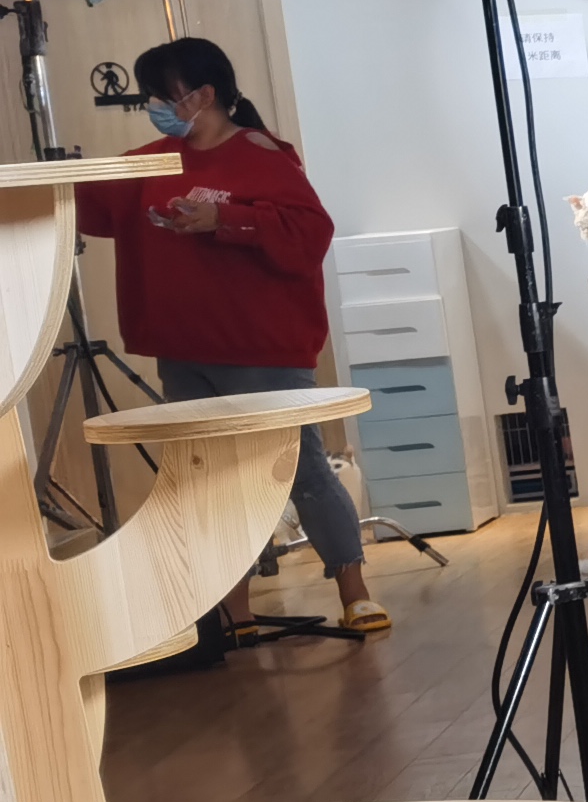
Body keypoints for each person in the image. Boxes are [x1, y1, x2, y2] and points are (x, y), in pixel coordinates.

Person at [76, 38, 385, 636]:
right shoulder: (152, 161)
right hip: (184, 348)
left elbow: (309, 232)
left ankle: (355, 590)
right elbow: (88, 204)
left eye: (161, 95)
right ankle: (233, 609)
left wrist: (223, 218)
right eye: (150, 96)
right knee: (212, 482)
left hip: (260, 348)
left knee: (300, 470)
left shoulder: (262, 155)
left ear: (204, 95)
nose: (153, 107)